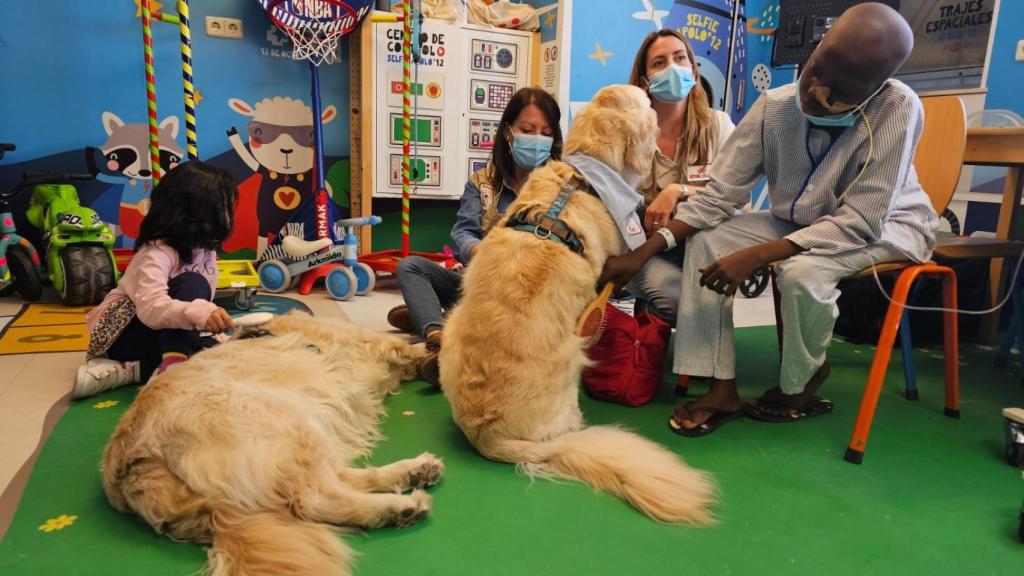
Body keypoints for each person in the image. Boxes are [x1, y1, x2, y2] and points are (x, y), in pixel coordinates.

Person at [599, 2, 937, 436]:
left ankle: (802, 383)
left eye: (835, 92)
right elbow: (719, 196)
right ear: (813, 53)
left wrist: (758, 255)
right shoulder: (774, 107)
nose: (813, 94)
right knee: (708, 238)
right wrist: (645, 251)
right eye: (813, 72)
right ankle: (720, 385)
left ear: (873, 89)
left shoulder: (899, 108)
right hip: (797, 220)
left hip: (887, 225)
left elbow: (862, 219)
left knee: (800, 273)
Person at [386, 87, 563, 385]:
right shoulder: (482, 183)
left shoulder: (560, 186)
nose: (537, 139)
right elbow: (463, 231)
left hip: (526, 298)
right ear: (508, 132)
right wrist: (478, 250)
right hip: (477, 284)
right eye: (528, 130)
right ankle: (436, 339)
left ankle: (432, 317)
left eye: (545, 132)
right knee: (410, 266)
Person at [73, 161, 238, 398]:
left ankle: (133, 371)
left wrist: (219, 333)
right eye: (222, 208)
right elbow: (151, 308)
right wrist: (200, 314)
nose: (228, 216)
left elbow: (196, 308)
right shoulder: (158, 251)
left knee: (218, 353)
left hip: (160, 333)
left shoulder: (205, 250)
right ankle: (173, 365)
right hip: (122, 333)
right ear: (195, 212)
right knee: (193, 284)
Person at [626, 29, 735, 326]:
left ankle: (652, 318)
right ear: (644, 81)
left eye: (680, 58)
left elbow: (736, 193)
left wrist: (679, 190)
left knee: (703, 306)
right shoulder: (629, 135)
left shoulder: (718, 126)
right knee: (681, 305)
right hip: (644, 251)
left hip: (705, 249)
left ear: (693, 70)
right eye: (659, 63)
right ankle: (653, 310)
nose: (672, 68)